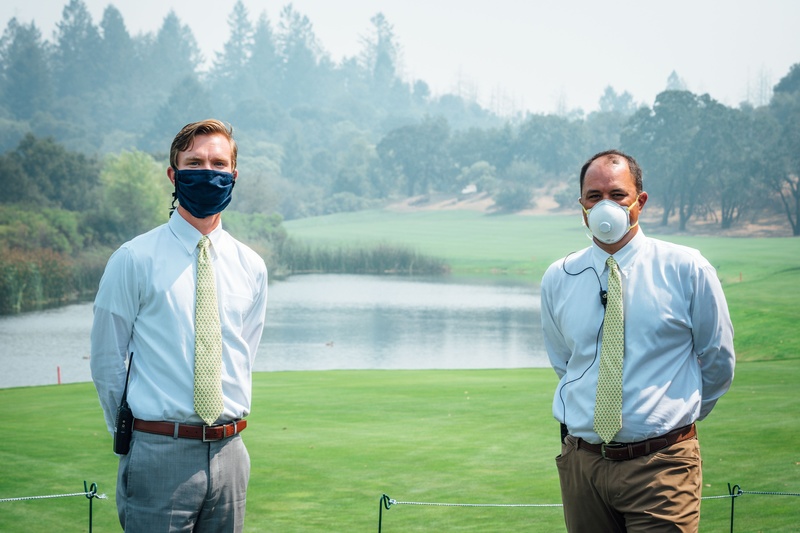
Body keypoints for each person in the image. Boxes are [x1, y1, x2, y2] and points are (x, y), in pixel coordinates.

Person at [540, 149, 735, 532]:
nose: (605, 205)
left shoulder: (686, 268)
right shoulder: (559, 277)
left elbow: (718, 361)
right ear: (582, 206)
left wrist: (676, 418)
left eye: (617, 195)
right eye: (594, 196)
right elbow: (565, 363)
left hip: (662, 465)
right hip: (583, 467)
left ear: (639, 201)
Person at [91, 119, 268, 532]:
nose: (208, 172)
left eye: (218, 164)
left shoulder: (252, 266)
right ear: (174, 175)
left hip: (230, 453)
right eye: (195, 163)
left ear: (234, 175)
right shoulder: (134, 259)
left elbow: (244, 355)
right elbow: (106, 361)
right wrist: (139, 437)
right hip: (158, 453)